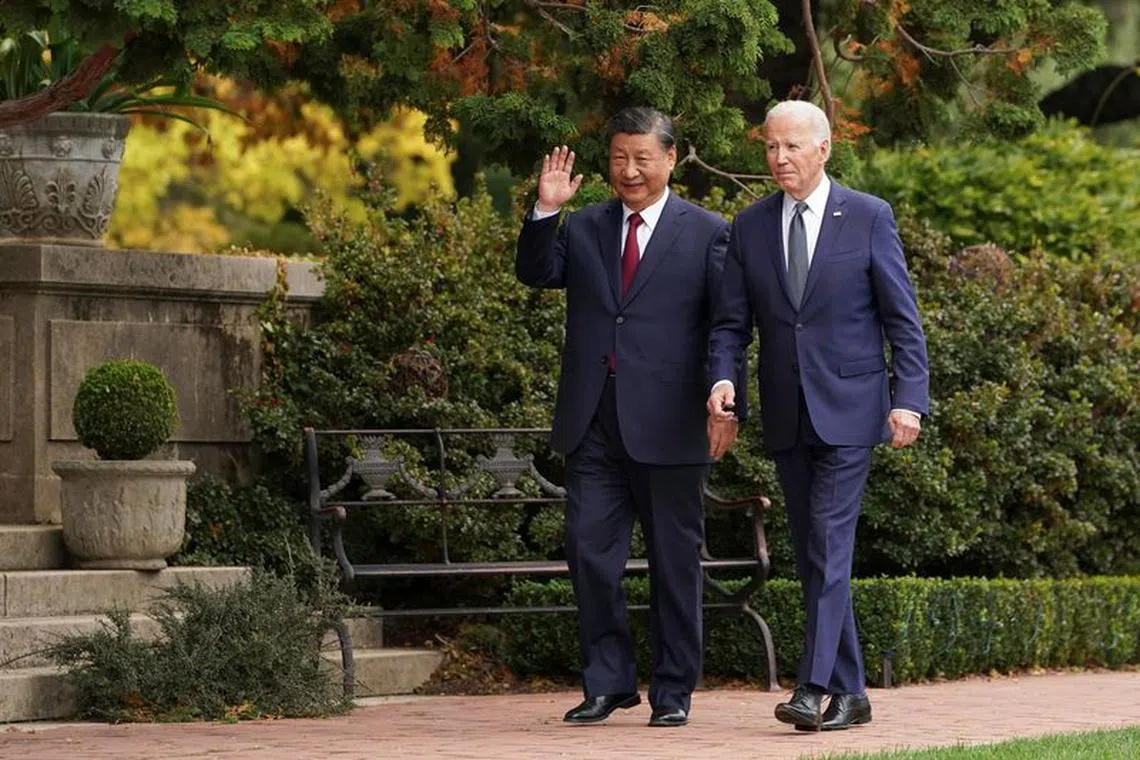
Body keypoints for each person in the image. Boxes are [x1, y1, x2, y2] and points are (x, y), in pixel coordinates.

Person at [706, 100, 929, 731]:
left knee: (828, 544)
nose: (779, 158)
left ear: (824, 149)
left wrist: (909, 398)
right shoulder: (749, 226)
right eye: (770, 147)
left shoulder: (868, 216)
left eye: (792, 147)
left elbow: (902, 320)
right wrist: (723, 379)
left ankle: (811, 687)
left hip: (852, 411)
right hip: (787, 413)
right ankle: (853, 693)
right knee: (814, 555)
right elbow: (731, 324)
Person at [516, 107, 741, 728]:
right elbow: (536, 272)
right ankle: (608, 683)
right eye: (619, 158)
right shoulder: (585, 225)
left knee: (674, 564)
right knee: (589, 552)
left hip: (671, 423)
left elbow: (726, 325)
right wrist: (545, 210)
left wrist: (725, 394)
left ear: (670, 158)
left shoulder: (708, 232)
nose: (630, 170)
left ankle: (673, 690)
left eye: (643, 158)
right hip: (593, 419)